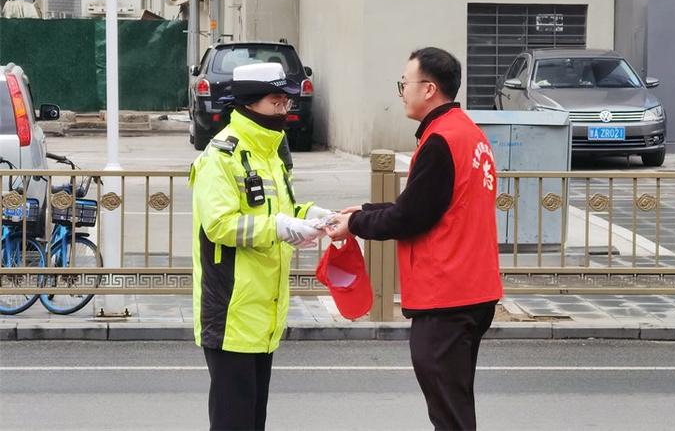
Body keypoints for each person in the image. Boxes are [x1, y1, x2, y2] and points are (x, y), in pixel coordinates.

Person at [326, 47, 503, 431]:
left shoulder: (441, 140)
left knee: (449, 414)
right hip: (473, 289)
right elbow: (427, 203)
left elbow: (410, 217)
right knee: (454, 403)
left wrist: (356, 224)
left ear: (429, 89)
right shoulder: (468, 133)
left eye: (404, 83)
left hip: (447, 295)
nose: (402, 91)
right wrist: (363, 211)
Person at [189, 62, 333, 431]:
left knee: (253, 420)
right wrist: (280, 226)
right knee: (233, 421)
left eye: (286, 101)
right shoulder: (220, 157)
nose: (285, 109)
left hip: (264, 311)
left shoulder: (271, 153)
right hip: (232, 309)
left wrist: (312, 215)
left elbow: (281, 209)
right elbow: (219, 224)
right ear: (250, 103)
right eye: (276, 101)